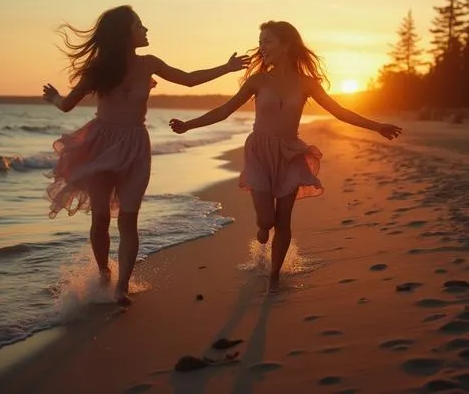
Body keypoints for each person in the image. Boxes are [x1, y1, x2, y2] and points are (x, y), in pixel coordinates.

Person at [169, 20, 402, 292]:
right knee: (266, 220)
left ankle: (274, 277)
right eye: (260, 42)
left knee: (284, 220)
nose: (261, 47)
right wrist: (188, 125)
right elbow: (224, 110)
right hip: (259, 152)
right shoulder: (257, 80)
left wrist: (378, 126)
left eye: (267, 41)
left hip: (291, 153)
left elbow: (340, 112)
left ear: (286, 45)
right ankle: (262, 230)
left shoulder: (308, 84)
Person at [42, 5, 250, 304]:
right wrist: (53, 98)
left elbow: (188, 79)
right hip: (100, 144)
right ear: (126, 32)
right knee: (100, 218)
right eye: (140, 25)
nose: (146, 29)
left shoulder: (149, 63)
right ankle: (104, 274)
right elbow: (67, 105)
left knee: (128, 219)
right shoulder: (98, 69)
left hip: (136, 145)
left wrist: (226, 68)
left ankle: (122, 287)